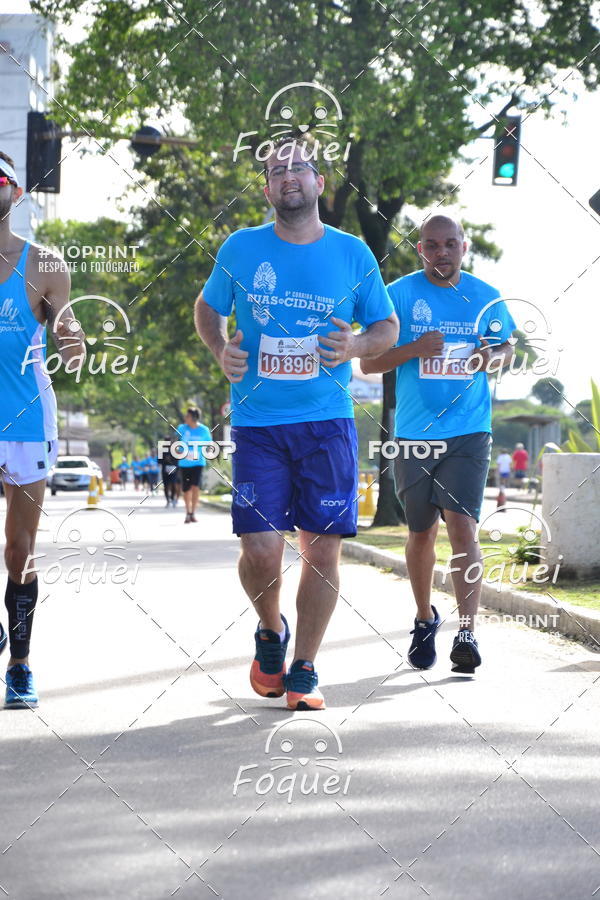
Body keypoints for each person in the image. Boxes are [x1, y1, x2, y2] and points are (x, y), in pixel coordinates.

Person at [195, 136, 398, 709]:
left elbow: (386, 327)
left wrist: (356, 345)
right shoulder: (240, 248)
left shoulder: (353, 253)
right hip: (258, 424)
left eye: (299, 168)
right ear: (267, 190)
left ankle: (305, 666)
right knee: (261, 547)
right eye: (276, 171)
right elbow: (207, 308)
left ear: (319, 182)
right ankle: (270, 629)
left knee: (323, 551)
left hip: (327, 424)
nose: (288, 176)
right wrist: (219, 349)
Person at [361, 215, 515, 674]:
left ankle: (467, 632)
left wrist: (491, 356)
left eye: (450, 244)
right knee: (421, 532)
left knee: (463, 527)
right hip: (414, 435)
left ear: (464, 247)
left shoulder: (486, 297)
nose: (441, 252)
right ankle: (424, 618)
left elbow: (507, 348)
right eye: (431, 244)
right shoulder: (399, 296)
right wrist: (414, 349)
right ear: (420, 249)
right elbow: (369, 364)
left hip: (469, 430)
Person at [0, 151, 85, 707]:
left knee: (20, 549)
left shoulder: (45, 265)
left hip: (27, 420)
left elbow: (65, 327)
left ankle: (21, 666)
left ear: (14, 191)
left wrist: (72, 337)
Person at [176, 408, 211, 523]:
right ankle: (188, 512)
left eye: (187, 416)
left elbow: (209, 445)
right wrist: (178, 451)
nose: (185, 418)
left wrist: (204, 452)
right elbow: (176, 442)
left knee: (195, 487)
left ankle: (193, 513)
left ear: (194, 418)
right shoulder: (182, 428)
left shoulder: (204, 430)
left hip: (198, 463)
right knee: (186, 489)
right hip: (184, 463)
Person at [160, 435, 179, 507]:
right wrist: (165, 460)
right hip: (165, 471)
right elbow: (159, 461)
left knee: (173, 484)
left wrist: (173, 464)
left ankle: (172, 498)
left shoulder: (174, 450)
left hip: (173, 470)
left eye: (169, 441)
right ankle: (167, 500)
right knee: (166, 486)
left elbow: (178, 460)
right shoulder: (161, 450)